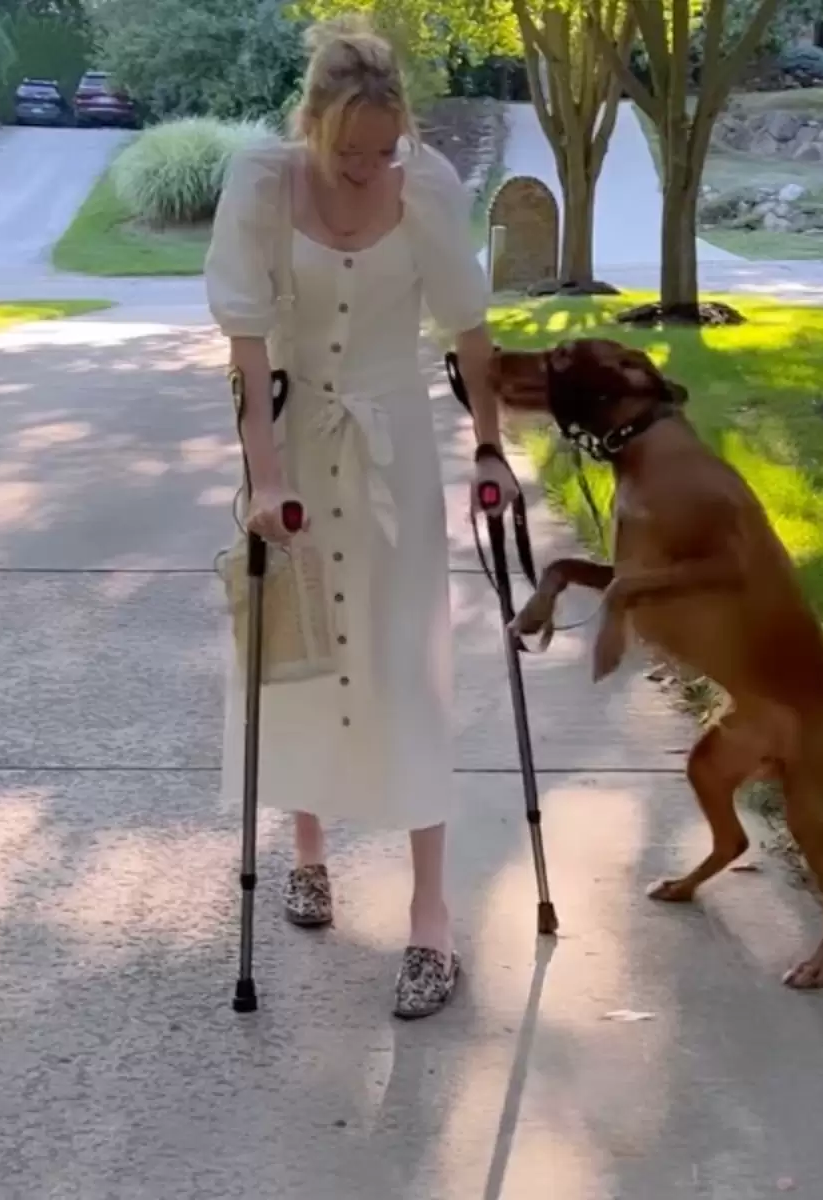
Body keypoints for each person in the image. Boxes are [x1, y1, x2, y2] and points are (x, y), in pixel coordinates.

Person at [204, 15, 516, 1019]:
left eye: (384, 149)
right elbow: (249, 353)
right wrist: (260, 481)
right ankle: (307, 851)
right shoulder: (261, 184)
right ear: (311, 126)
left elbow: (470, 331)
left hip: (395, 462)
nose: (368, 167)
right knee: (300, 653)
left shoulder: (424, 183)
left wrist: (490, 448)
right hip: (293, 454)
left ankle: (432, 919)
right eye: (349, 151)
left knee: (406, 671)